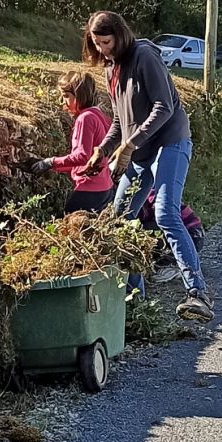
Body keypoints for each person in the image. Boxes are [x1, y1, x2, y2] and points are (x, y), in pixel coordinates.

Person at [82, 10, 213, 322]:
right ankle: (135, 303)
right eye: (97, 44)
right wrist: (102, 150)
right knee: (119, 220)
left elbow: (164, 107)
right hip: (140, 153)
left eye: (106, 42)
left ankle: (198, 294)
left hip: (170, 143)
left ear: (120, 34)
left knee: (165, 212)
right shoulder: (112, 69)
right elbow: (119, 121)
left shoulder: (144, 56)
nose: (103, 49)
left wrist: (128, 146)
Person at [29, 71, 114, 213]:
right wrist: (51, 166)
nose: (63, 102)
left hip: (89, 189)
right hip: (105, 188)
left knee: (68, 223)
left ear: (80, 95)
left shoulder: (85, 118)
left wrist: (51, 162)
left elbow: (82, 156)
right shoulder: (99, 115)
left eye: (66, 96)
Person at [139, 190, 205, 283]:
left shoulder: (148, 196)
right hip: (185, 232)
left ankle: (171, 263)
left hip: (192, 234)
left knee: (145, 230)